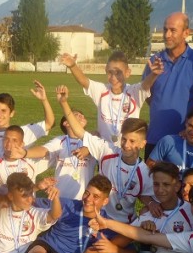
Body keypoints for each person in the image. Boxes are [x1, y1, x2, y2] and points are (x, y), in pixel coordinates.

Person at [58, 85, 155, 223]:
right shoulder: (108, 151)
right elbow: (80, 132)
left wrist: (150, 204)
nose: (126, 145)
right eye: (124, 139)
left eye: (132, 141)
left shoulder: (144, 172)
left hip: (123, 225)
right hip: (97, 219)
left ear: (142, 144)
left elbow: (145, 194)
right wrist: (64, 103)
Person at [143, 12, 193, 159]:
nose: (167, 35)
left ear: (186, 33)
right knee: (151, 175)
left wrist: (192, 128)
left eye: (173, 30)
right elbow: (145, 95)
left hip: (185, 142)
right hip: (155, 139)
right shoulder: (154, 61)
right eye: (165, 29)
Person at [60, 51, 163, 147]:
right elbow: (84, 81)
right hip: (104, 152)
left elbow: (145, 85)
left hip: (127, 150)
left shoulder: (134, 92)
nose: (113, 77)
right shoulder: (101, 90)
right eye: (110, 72)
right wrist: (72, 66)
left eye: (118, 72)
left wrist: (153, 74)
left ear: (127, 72)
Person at [16, 109, 97, 200]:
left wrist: (88, 148)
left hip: (84, 199)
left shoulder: (92, 140)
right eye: (76, 115)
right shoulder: (60, 141)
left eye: (82, 115)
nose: (81, 116)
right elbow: (44, 150)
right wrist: (25, 153)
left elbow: (102, 136)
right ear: (66, 123)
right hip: (60, 197)